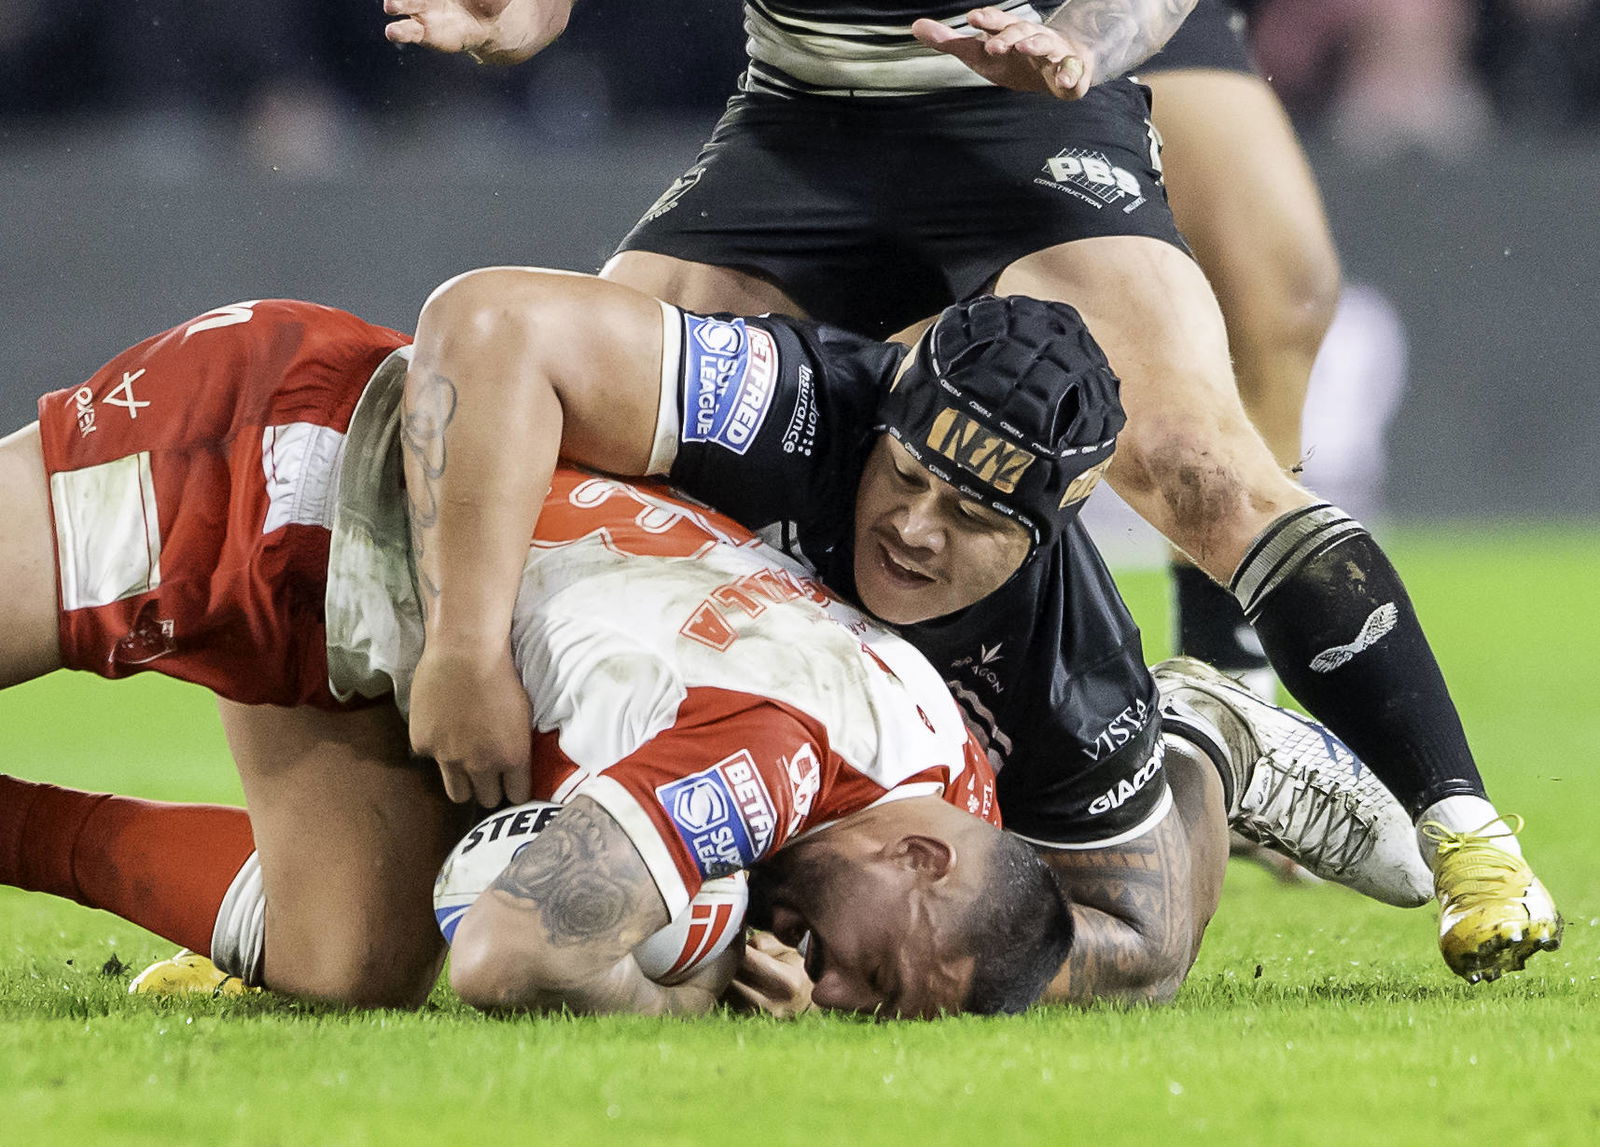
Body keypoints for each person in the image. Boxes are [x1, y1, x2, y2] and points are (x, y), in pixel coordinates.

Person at [382, 0, 1563, 982]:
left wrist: (1086, 41)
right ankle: (367, 885)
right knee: (547, 478)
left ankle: (1442, 815)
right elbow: (492, 344)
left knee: (1198, 458)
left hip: (1029, 117)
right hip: (798, 119)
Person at [394, 268, 1448, 1006]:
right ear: (892, 410)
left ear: (1044, 533)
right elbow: (494, 325)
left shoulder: (1066, 665)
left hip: (902, 762)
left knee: (1135, 960)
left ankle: (1208, 735)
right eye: (905, 475)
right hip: (671, 669)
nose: (911, 527)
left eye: (974, 518)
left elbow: (1121, 938)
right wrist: (465, 645)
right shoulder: (801, 401)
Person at [0, 296, 1076, 1018]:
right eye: (876, 977)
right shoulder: (769, 754)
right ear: (921, 859)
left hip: (359, 634)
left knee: (345, 960)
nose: (838, 999)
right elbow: (503, 947)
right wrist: (684, 980)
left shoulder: (949, 774)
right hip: (272, 461)